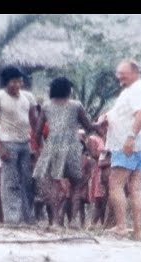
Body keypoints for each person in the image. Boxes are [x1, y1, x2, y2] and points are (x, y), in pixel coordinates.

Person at [96, 59, 141, 240]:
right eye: (118, 73)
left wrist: (130, 136)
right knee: (135, 187)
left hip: (130, 145)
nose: (119, 76)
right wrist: (106, 116)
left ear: (135, 72)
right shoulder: (133, 90)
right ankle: (138, 231)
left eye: (123, 72)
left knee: (116, 185)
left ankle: (121, 226)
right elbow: (123, 112)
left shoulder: (137, 90)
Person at [33, 77, 97, 227]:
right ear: (69, 90)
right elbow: (87, 126)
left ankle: (55, 221)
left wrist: (41, 149)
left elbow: (37, 131)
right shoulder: (76, 105)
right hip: (72, 145)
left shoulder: (46, 106)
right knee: (76, 184)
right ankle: (74, 220)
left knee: (55, 184)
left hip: (53, 146)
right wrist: (97, 126)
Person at [0, 66, 38, 225]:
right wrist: (0, 147)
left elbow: (35, 121)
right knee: (10, 182)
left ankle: (28, 217)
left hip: (26, 143)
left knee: (28, 182)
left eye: (19, 81)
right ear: (6, 82)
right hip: (8, 143)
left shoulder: (28, 97)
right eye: (14, 81)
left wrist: (38, 145)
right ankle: (12, 219)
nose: (17, 84)